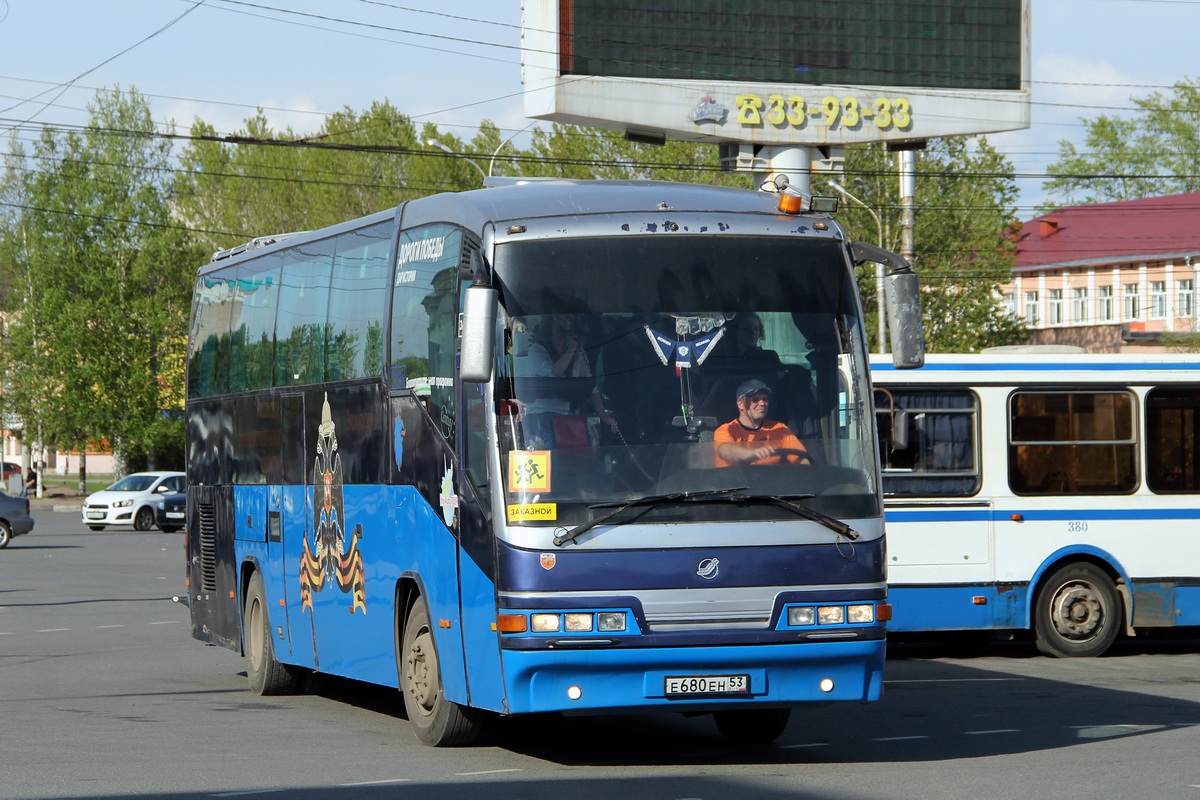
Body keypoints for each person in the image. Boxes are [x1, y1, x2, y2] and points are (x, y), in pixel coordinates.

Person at [714, 380, 810, 467]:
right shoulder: (727, 429)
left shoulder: (780, 429)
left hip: (773, 483)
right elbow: (724, 450)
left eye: (765, 399)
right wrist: (751, 454)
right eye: (755, 400)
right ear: (740, 404)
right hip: (734, 483)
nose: (762, 403)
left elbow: (801, 459)